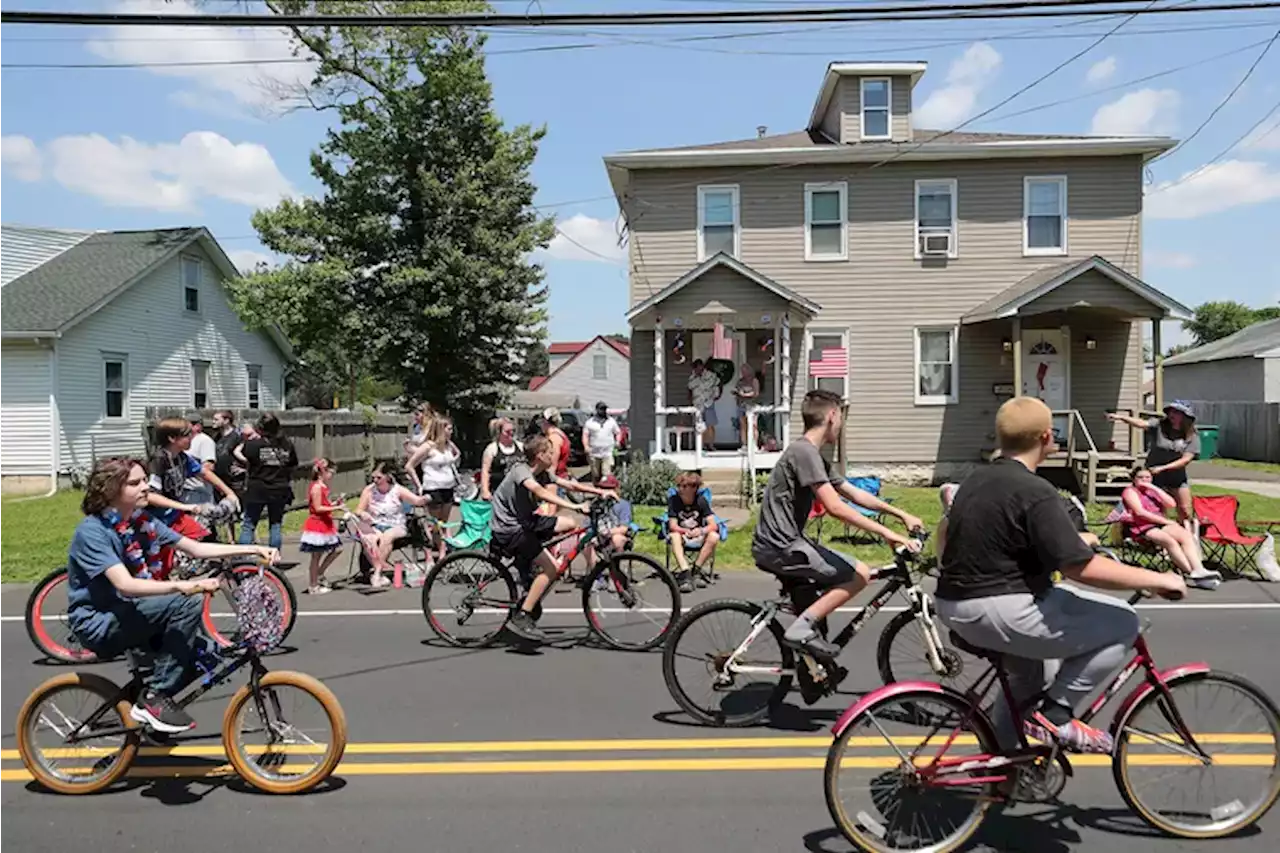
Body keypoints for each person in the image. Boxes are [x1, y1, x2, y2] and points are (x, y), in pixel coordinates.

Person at [937, 396, 1187, 755]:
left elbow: (950, 537)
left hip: (957, 601)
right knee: (1122, 622)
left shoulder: (977, 479)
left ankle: (1008, 764)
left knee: (1029, 676)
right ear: (1044, 438)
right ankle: (1056, 715)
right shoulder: (1036, 490)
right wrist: (1157, 578)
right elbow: (1078, 568)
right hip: (997, 606)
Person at [66, 457, 278, 733]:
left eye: (144, 481)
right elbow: (126, 585)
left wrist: (251, 550)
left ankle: (147, 714)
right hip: (99, 622)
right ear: (110, 490)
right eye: (135, 483)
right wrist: (182, 586)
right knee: (187, 602)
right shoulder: (93, 532)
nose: (145, 487)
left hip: (134, 612)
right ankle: (154, 698)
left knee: (209, 655)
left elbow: (196, 548)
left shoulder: (141, 521)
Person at [752, 390, 924, 664]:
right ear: (832, 415)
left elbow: (854, 494)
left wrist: (900, 514)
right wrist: (888, 534)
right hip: (781, 546)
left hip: (786, 543)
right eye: (841, 416)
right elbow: (835, 507)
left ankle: (814, 668)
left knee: (825, 595)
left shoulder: (813, 456)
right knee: (859, 574)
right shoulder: (804, 453)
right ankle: (800, 630)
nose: (842, 423)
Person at [489, 435, 617, 643]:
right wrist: (575, 507)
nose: (554, 454)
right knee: (552, 569)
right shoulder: (522, 471)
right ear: (540, 455)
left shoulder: (542, 473)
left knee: (570, 524)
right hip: (510, 529)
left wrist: (601, 491)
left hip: (527, 522)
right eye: (550, 452)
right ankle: (522, 616)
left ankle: (534, 567)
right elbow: (538, 491)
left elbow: (570, 485)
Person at [146, 418, 239, 552]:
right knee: (163, 563)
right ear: (172, 438)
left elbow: (204, 472)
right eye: (187, 434)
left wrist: (229, 492)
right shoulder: (158, 460)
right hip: (157, 519)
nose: (191, 437)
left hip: (175, 515)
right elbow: (151, 496)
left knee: (204, 541)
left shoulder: (181, 457)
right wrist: (186, 507)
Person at [1122, 466, 1222, 589]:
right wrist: (1166, 521)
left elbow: (1171, 504)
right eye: (1140, 477)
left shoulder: (1153, 490)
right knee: (1170, 541)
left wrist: (1153, 488)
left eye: (1147, 477)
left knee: (1186, 536)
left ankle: (1198, 569)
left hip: (1159, 524)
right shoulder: (1130, 492)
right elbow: (1140, 513)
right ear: (1134, 479)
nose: (1144, 480)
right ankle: (1193, 574)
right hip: (1141, 526)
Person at [1106, 401, 1200, 525]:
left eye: (1176, 412)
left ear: (1185, 416)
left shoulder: (1191, 435)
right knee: (1156, 508)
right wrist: (1121, 417)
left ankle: (1187, 534)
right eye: (1171, 411)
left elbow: (1186, 459)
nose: (1172, 414)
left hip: (1177, 476)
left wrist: (1163, 468)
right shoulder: (1159, 425)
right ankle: (1160, 533)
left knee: (1185, 509)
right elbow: (1140, 423)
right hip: (1154, 475)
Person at [356, 462, 431, 588]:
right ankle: (379, 569)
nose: (375, 480)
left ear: (388, 477)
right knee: (370, 540)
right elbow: (358, 510)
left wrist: (426, 498)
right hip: (376, 524)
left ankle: (377, 573)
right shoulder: (369, 490)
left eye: (379, 478)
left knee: (387, 537)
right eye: (373, 477)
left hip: (396, 525)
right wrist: (363, 514)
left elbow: (416, 501)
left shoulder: (398, 490)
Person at [234, 413, 298, 550]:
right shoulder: (287, 445)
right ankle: (274, 559)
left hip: (257, 488)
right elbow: (293, 464)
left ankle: (242, 559)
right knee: (275, 524)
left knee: (249, 525)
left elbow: (240, 454)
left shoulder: (253, 445)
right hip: (279, 488)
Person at [405, 415, 460, 562]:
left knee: (443, 523)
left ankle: (443, 555)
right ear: (441, 429)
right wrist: (419, 486)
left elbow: (457, 453)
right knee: (433, 524)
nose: (451, 431)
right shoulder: (428, 446)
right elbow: (409, 466)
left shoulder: (447, 446)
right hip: (433, 488)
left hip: (448, 488)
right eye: (448, 428)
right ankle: (435, 556)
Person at [667, 471, 721, 593]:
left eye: (685, 486)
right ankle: (685, 573)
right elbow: (673, 525)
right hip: (682, 534)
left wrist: (701, 530)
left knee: (714, 536)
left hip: (698, 534)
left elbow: (713, 525)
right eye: (680, 486)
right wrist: (684, 530)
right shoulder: (674, 501)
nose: (681, 489)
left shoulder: (701, 501)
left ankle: (696, 570)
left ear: (694, 488)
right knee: (674, 536)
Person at [300, 458, 345, 595]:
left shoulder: (323, 487)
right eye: (331, 473)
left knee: (337, 549)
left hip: (325, 523)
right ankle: (313, 585)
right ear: (323, 472)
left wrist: (334, 503)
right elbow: (318, 508)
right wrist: (337, 507)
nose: (332, 476)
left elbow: (324, 505)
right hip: (317, 525)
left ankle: (319, 573)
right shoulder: (317, 487)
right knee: (316, 556)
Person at [181, 411, 219, 507]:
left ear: (197, 426)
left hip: (199, 492)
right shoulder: (187, 441)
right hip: (185, 491)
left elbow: (209, 467)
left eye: (186, 424)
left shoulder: (205, 441)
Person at [480, 417, 522, 501]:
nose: (511, 433)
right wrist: (485, 490)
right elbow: (485, 471)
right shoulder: (492, 449)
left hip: (518, 493)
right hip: (498, 492)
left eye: (513, 430)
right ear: (499, 433)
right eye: (507, 431)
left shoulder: (520, 446)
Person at [211, 410, 246, 500]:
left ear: (226, 421)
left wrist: (245, 469)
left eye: (216, 419)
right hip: (219, 479)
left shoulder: (238, 436)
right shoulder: (216, 437)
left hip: (234, 481)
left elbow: (250, 455)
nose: (213, 422)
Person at [687, 359, 721, 450]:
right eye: (695, 369)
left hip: (708, 402)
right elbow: (689, 389)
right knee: (699, 424)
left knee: (710, 424)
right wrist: (690, 401)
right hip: (697, 404)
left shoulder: (711, 376)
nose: (697, 370)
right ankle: (701, 445)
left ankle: (711, 445)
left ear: (702, 366)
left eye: (698, 368)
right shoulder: (692, 378)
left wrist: (717, 395)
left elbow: (719, 384)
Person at [582, 402, 621, 482]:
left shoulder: (611, 421)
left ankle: (604, 491)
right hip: (594, 453)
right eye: (601, 409)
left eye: (604, 409)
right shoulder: (590, 422)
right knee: (595, 474)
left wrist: (618, 441)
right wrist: (586, 446)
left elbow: (618, 432)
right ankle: (596, 490)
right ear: (597, 410)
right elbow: (585, 435)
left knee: (606, 475)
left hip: (607, 452)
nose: (603, 411)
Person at [733, 361, 760, 450]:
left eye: (745, 371)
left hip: (752, 405)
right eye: (742, 371)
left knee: (753, 425)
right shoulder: (740, 381)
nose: (743, 373)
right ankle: (744, 445)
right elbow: (737, 390)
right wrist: (737, 394)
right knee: (743, 425)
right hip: (741, 405)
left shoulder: (754, 380)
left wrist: (745, 395)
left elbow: (756, 393)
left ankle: (754, 444)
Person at [541, 408, 572, 480]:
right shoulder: (559, 434)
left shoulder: (554, 437)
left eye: (541, 421)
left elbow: (552, 464)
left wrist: (549, 482)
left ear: (545, 421)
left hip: (557, 478)